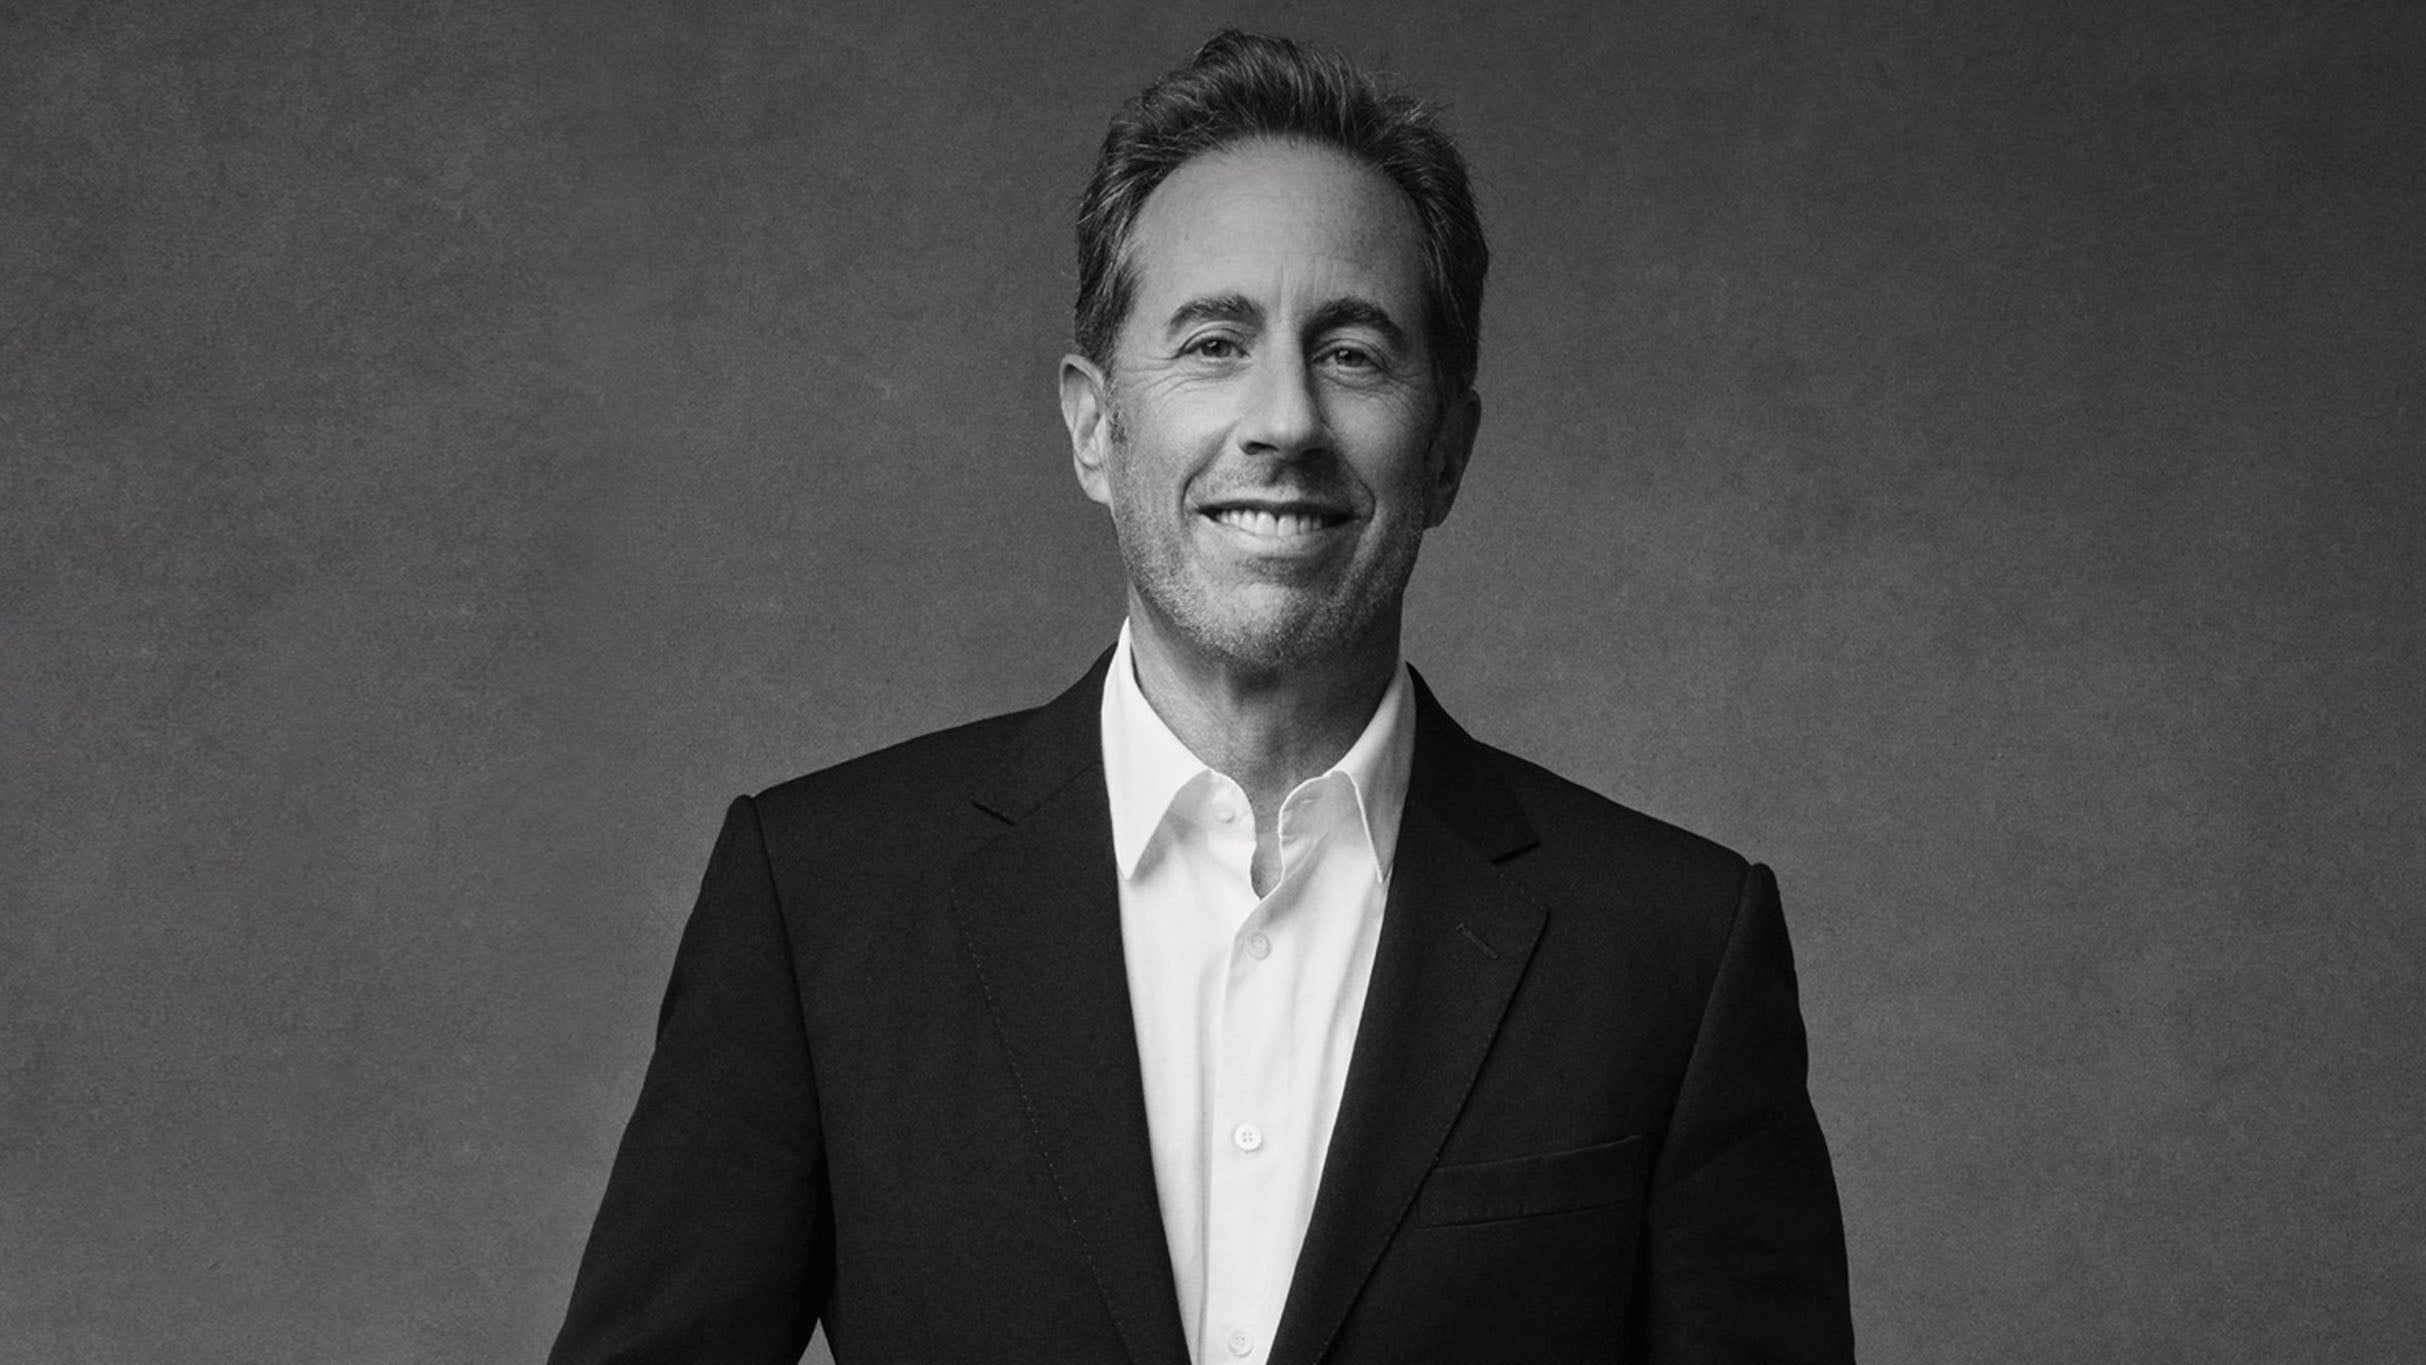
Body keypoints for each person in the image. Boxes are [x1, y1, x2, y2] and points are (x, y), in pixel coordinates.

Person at [548, 30, 1852, 1365]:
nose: (1284, 419)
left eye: (1353, 352)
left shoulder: (1670, 950)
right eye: (1215, 342)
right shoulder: (821, 902)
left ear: (1448, 451)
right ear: (1093, 426)